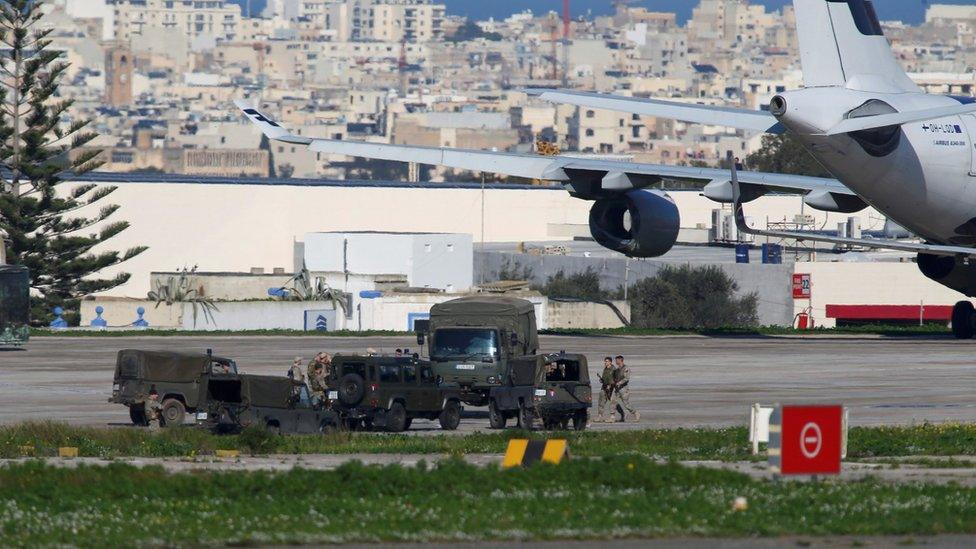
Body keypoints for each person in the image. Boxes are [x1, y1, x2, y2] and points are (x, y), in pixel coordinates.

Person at [613, 355, 640, 422]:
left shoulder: (626, 368)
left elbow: (626, 378)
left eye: (617, 360)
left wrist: (619, 383)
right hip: (617, 389)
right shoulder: (617, 370)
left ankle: (636, 413)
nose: (616, 361)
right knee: (613, 402)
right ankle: (622, 415)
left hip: (624, 389)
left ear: (620, 360)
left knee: (626, 404)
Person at [596, 357, 616, 423]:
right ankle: (600, 416)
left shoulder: (613, 369)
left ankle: (612, 417)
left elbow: (614, 379)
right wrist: (601, 380)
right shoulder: (605, 369)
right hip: (604, 387)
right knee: (601, 401)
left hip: (611, 388)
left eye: (607, 361)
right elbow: (605, 378)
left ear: (610, 362)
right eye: (605, 361)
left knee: (612, 402)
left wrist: (610, 385)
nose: (605, 362)